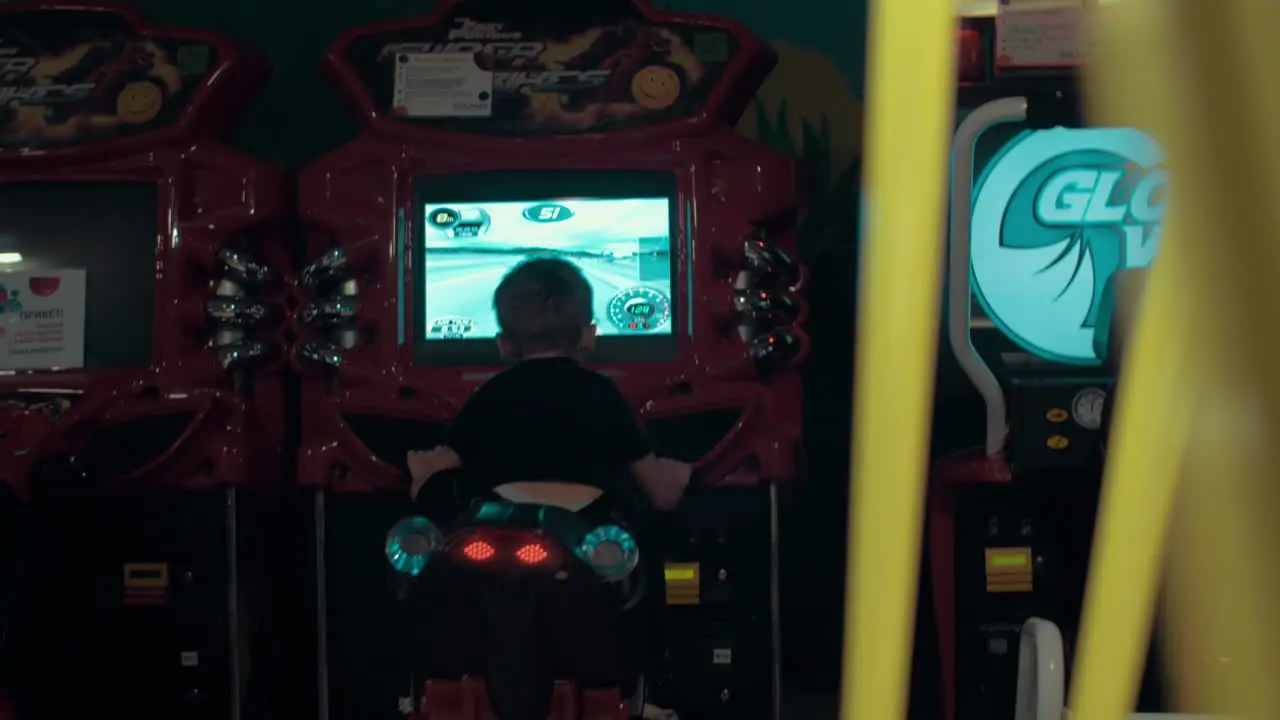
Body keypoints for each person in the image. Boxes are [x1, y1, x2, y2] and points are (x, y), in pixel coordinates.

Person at [405, 256, 692, 515]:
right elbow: (663, 497)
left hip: (505, 548)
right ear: (589, 336)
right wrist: (678, 475)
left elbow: (426, 491)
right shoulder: (603, 393)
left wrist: (422, 472)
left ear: (503, 345)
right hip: (588, 553)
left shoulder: (491, 394)